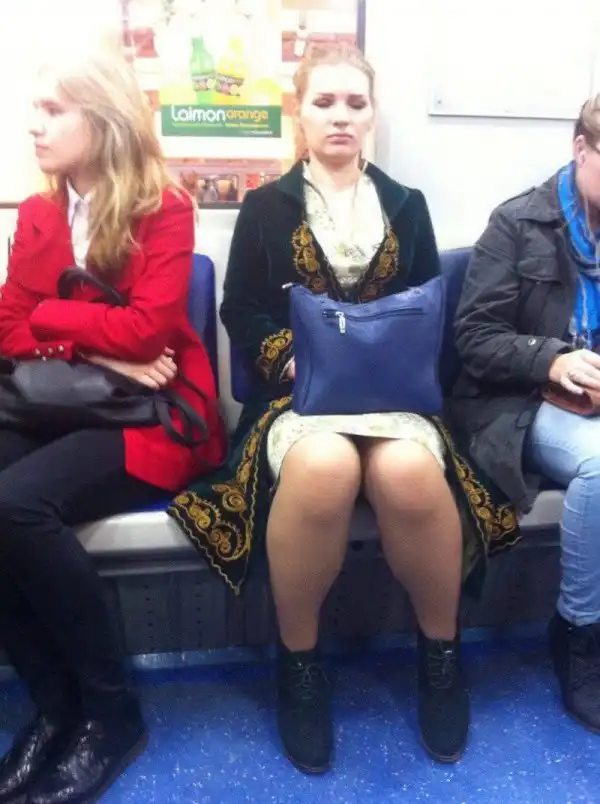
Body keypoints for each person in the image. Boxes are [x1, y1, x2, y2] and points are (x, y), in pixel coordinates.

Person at [171, 42, 518, 773]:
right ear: (299, 115)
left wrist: (383, 358)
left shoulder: (406, 205)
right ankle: (299, 665)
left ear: (372, 115)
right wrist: (292, 358)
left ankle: (440, 655)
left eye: (354, 103)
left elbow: (427, 306)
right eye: (323, 102)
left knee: (408, 473)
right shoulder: (264, 207)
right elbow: (242, 310)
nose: (340, 116)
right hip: (297, 397)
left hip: (393, 396)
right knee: (325, 466)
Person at [0, 49, 225, 803]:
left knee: (15, 505)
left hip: (155, 412)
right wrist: (97, 343)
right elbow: (6, 329)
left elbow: (148, 333)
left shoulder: (164, 207)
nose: (34, 126)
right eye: (36, 110)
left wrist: (56, 319)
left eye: (53, 110)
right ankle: (55, 707)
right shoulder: (38, 213)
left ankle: (109, 713)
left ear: (102, 119)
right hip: (62, 401)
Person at [450, 95, 600, 736]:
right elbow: (474, 338)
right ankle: (580, 633)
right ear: (581, 148)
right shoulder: (517, 222)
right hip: (519, 402)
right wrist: (553, 360)